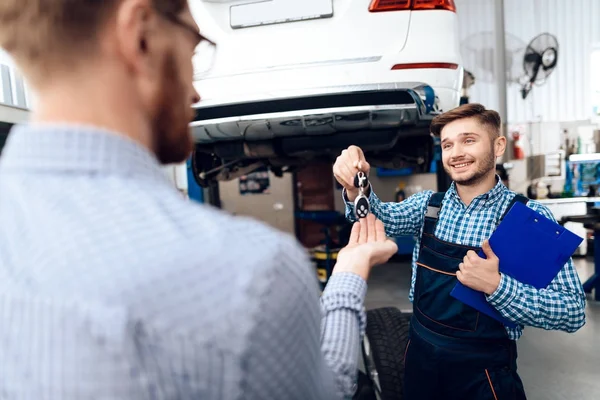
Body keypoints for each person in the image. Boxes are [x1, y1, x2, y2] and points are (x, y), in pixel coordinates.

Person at [0, 1, 399, 399]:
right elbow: (331, 389)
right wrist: (349, 271)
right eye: (193, 49)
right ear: (140, 35)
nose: (194, 91)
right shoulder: (251, 275)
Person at [333, 103, 587, 400]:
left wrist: (498, 286)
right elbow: (377, 216)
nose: (456, 153)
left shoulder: (528, 218)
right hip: (420, 358)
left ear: (498, 145)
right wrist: (354, 188)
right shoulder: (428, 207)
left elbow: (573, 312)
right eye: (447, 144)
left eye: (469, 140)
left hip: (483, 374)